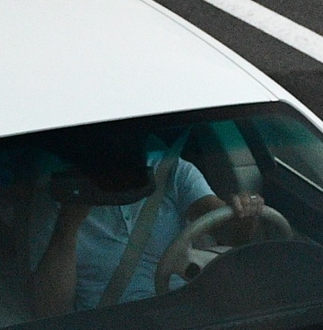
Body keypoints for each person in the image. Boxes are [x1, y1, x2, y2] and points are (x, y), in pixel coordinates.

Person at [29, 134, 262, 316]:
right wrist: (69, 224)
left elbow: (230, 233)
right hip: (107, 324)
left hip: (181, 307)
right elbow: (50, 312)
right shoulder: (57, 197)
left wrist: (244, 213)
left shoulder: (171, 170)